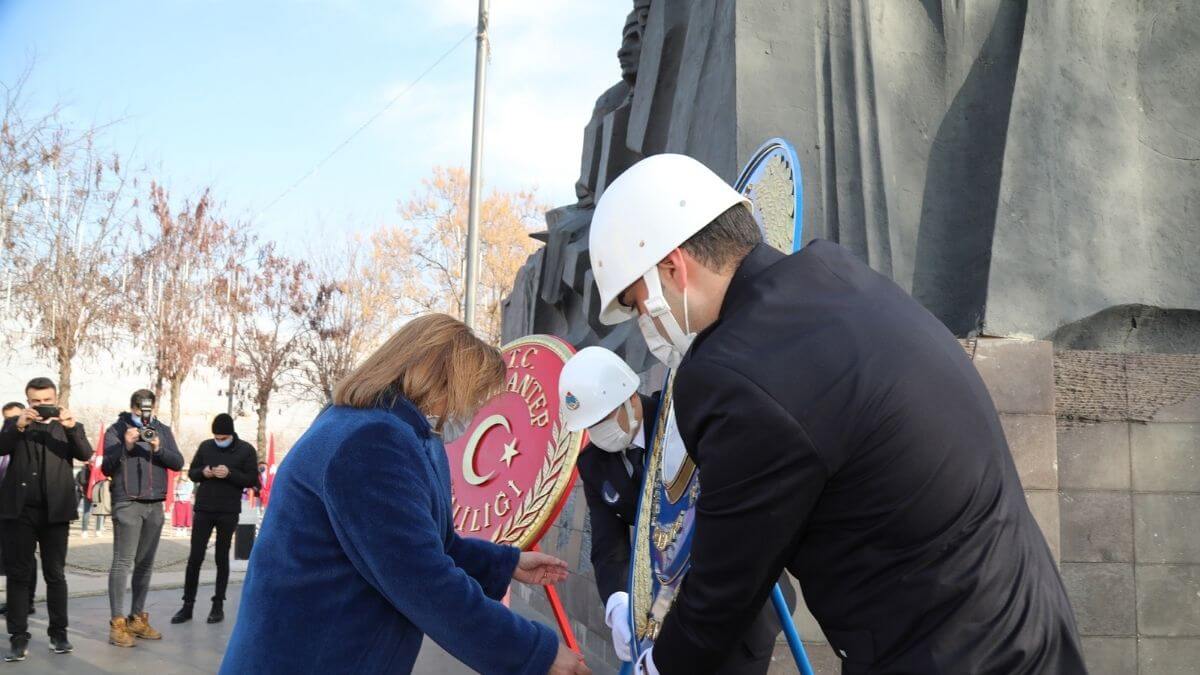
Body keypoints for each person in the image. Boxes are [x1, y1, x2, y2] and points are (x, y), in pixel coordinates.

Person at [588, 154, 1086, 674]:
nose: (645, 322)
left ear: (673, 266)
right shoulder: (834, 274)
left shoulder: (734, 374)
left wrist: (657, 666)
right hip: (1028, 622)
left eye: (638, 303)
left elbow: (722, 592)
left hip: (946, 652)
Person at [222, 314, 590, 675]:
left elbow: (432, 545)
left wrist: (506, 564)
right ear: (443, 381)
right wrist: (535, 653)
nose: (475, 410)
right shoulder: (369, 444)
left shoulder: (398, 434)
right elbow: (424, 580)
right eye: (475, 395)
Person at [559, 347, 782, 673]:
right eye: (589, 425)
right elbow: (608, 545)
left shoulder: (682, 418)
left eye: (603, 418)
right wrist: (619, 603)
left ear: (630, 396)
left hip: (735, 601)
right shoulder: (594, 464)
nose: (598, 432)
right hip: (662, 616)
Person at [0, 378, 93, 661]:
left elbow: (86, 454)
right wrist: (18, 425)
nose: (41, 406)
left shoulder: (68, 425)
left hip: (56, 512)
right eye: (35, 402)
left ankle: (58, 633)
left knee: (56, 574)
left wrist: (72, 427)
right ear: (27, 401)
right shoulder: (14, 424)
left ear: (56, 397)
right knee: (18, 575)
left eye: (46, 400)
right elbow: (2, 448)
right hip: (19, 511)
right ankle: (18, 636)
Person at [101, 389, 184, 648]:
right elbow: (106, 466)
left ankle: (137, 618)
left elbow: (178, 462)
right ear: (133, 408)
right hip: (127, 502)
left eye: (147, 410)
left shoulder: (163, 429)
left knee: (146, 564)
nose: (144, 416)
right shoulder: (116, 429)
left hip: (155, 503)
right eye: (139, 410)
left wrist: (158, 447)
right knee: (122, 562)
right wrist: (125, 445)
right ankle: (117, 623)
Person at [172, 414, 256, 625]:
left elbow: (252, 479)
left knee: (221, 558)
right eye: (216, 437)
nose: (219, 440)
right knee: (195, 558)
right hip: (204, 509)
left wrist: (230, 473)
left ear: (231, 434)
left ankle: (217, 605)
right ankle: (187, 605)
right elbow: (192, 472)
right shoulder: (206, 446)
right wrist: (204, 472)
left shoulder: (245, 450)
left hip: (228, 510)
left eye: (223, 437)